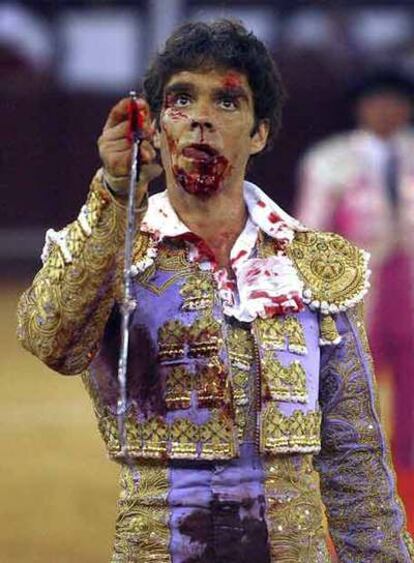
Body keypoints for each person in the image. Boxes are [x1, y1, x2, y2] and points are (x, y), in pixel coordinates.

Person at [17, 21, 414, 563]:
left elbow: (355, 464)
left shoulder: (312, 266)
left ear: (259, 133)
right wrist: (114, 194)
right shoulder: (114, 245)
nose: (201, 116)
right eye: (182, 99)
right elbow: (51, 340)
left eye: (227, 101)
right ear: (155, 128)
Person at [296, 70, 414, 472]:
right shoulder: (330, 161)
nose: (386, 111)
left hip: (411, 288)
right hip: (358, 290)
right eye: (377, 102)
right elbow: (311, 234)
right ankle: (353, 475)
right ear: (360, 108)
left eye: (395, 102)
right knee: (351, 389)